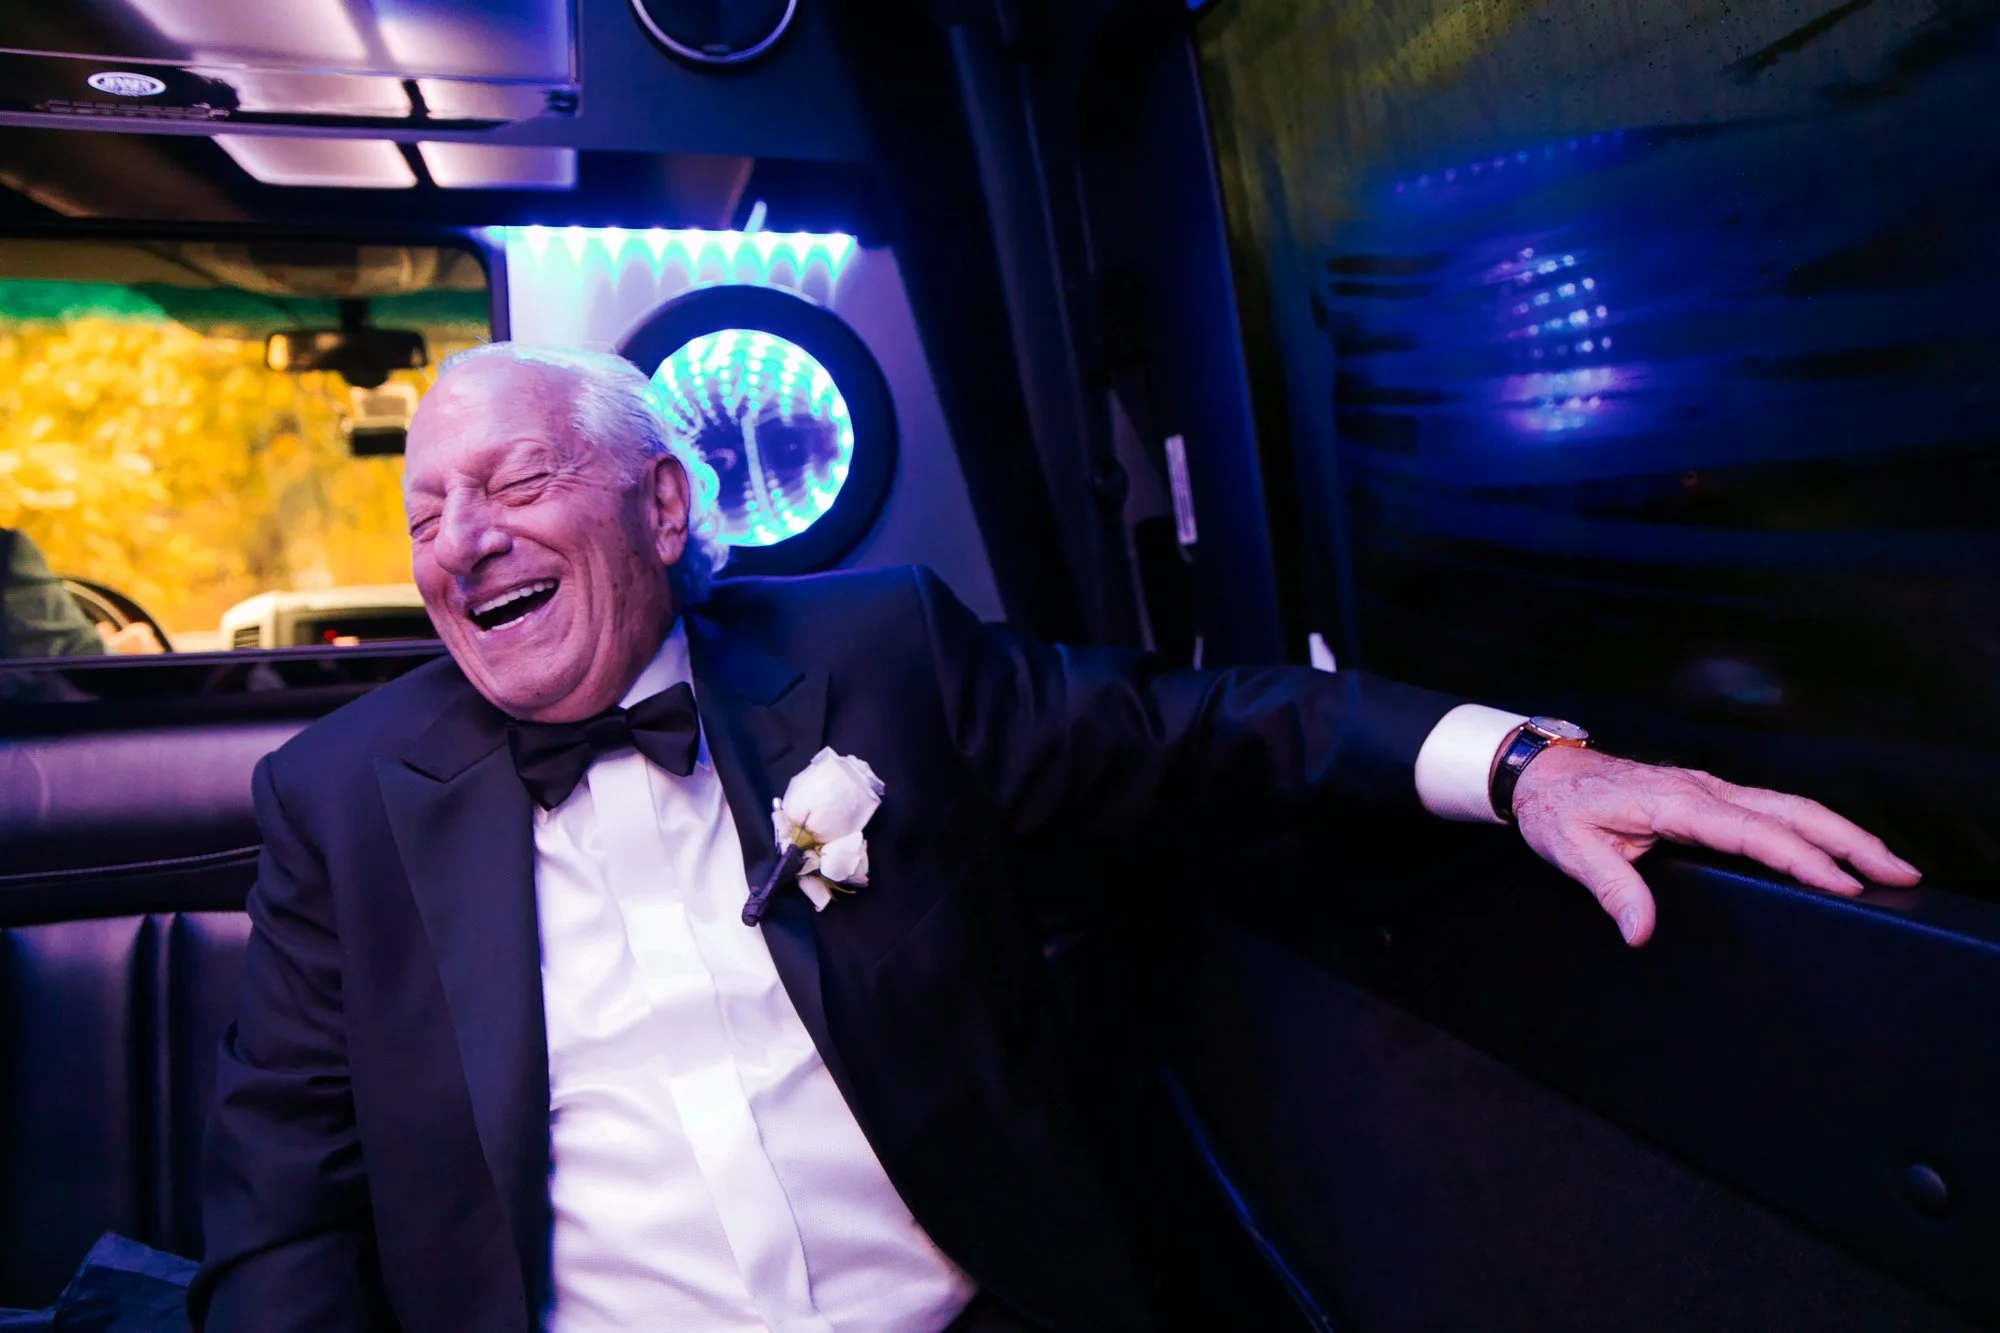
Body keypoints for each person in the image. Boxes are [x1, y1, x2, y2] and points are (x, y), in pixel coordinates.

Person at [189, 343, 1920, 1333]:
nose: (458, 540)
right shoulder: (338, 799)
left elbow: (1198, 725)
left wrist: (1525, 764)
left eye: (510, 487)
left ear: (662, 505)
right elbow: (285, 1210)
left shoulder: (873, 653)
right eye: (424, 510)